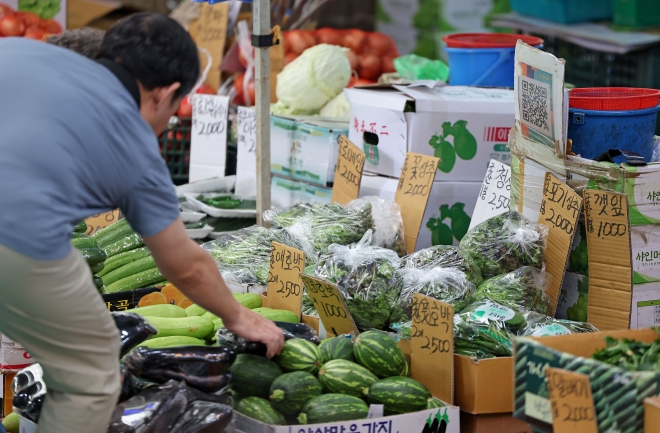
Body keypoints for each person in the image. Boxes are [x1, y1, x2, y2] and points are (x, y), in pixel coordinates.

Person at [0, 12, 284, 433]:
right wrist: (238, 316)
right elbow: (183, 264)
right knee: (93, 372)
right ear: (165, 94)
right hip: (16, 240)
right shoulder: (132, 142)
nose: (168, 121)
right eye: (173, 108)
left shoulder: (19, 52)